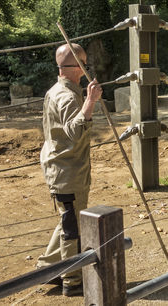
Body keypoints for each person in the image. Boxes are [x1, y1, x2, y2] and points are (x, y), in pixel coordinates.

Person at [36, 43, 102, 296]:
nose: (87, 67)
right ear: (75, 67)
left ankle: (48, 267)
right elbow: (75, 131)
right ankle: (72, 280)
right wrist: (90, 101)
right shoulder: (66, 95)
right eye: (84, 62)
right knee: (71, 227)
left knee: (68, 217)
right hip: (66, 170)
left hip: (64, 166)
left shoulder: (60, 90)